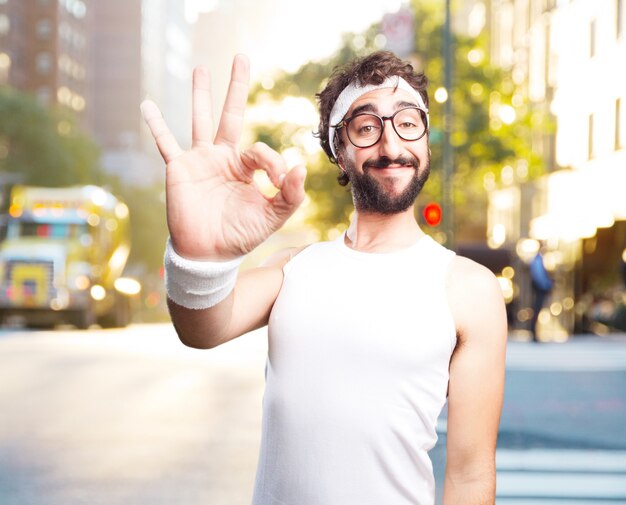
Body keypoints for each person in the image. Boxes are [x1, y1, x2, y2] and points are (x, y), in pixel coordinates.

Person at [141, 51, 507, 505]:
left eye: (408, 123)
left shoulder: (469, 288)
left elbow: (471, 477)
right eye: (367, 127)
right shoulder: (292, 268)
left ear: (426, 139)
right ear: (339, 149)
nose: (391, 146)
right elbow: (200, 328)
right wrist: (199, 253)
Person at [529, 248, 553, 342]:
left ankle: (534, 332)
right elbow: (539, 276)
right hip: (540, 289)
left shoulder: (538, 260)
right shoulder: (538, 260)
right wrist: (547, 285)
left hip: (540, 288)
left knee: (537, 310)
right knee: (537, 310)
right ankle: (533, 332)